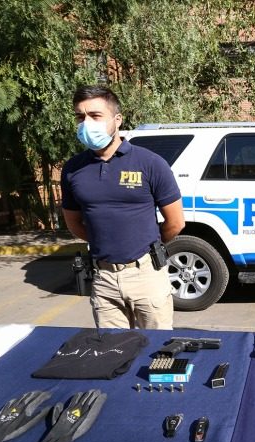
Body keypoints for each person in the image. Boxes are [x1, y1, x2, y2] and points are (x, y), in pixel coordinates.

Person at [61, 85, 185, 330]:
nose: (86, 123)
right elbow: (74, 223)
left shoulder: (150, 163)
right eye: (80, 117)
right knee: (113, 349)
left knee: (157, 347)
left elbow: (176, 222)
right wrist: (106, 243)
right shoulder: (73, 169)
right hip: (103, 279)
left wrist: (144, 246)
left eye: (95, 116)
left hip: (147, 275)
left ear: (117, 119)